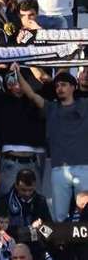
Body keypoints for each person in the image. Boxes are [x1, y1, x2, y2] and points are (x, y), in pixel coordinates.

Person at [15, 67, 88, 220]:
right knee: (59, 215)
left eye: (64, 85)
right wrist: (17, 72)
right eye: (57, 86)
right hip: (59, 169)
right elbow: (31, 94)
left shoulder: (85, 104)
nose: (59, 88)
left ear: (73, 87)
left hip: (84, 167)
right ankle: (61, 244)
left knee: (85, 214)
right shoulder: (51, 108)